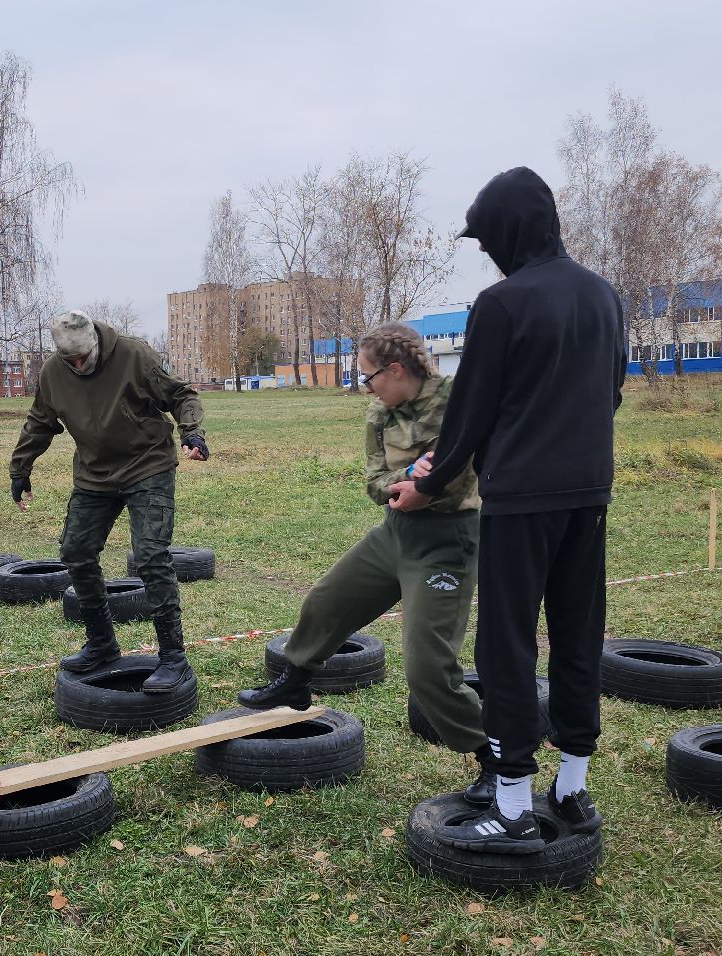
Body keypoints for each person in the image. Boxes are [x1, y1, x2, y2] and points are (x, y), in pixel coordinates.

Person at [388, 166, 627, 851]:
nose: (488, 252)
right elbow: (611, 389)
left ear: (509, 232)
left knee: (507, 644)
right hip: (589, 491)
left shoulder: (501, 304)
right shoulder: (605, 295)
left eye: (488, 239)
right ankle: (573, 789)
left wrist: (427, 483)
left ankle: (514, 804)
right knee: (578, 634)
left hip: (521, 497)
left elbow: (471, 411)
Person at [237, 323, 492, 790]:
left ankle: (493, 761)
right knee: (326, 600)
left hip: (447, 542)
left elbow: (484, 453)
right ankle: (296, 681)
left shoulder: (458, 398)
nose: (366, 387)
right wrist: (406, 477)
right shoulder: (379, 415)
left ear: (395, 369)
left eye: (369, 376)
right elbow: (375, 484)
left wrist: (431, 480)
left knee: (427, 667)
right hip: (395, 533)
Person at [10, 310, 209, 692]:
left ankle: (174, 657)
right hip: (94, 474)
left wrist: (192, 433)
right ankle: (102, 644)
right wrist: (20, 468)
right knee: (76, 551)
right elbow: (39, 421)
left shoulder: (135, 355)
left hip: (147, 465)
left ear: (95, 343)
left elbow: (181, 395)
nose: (78, 365)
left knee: (150, 555)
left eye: (83, 357)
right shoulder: (53, 373)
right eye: (70, 360)